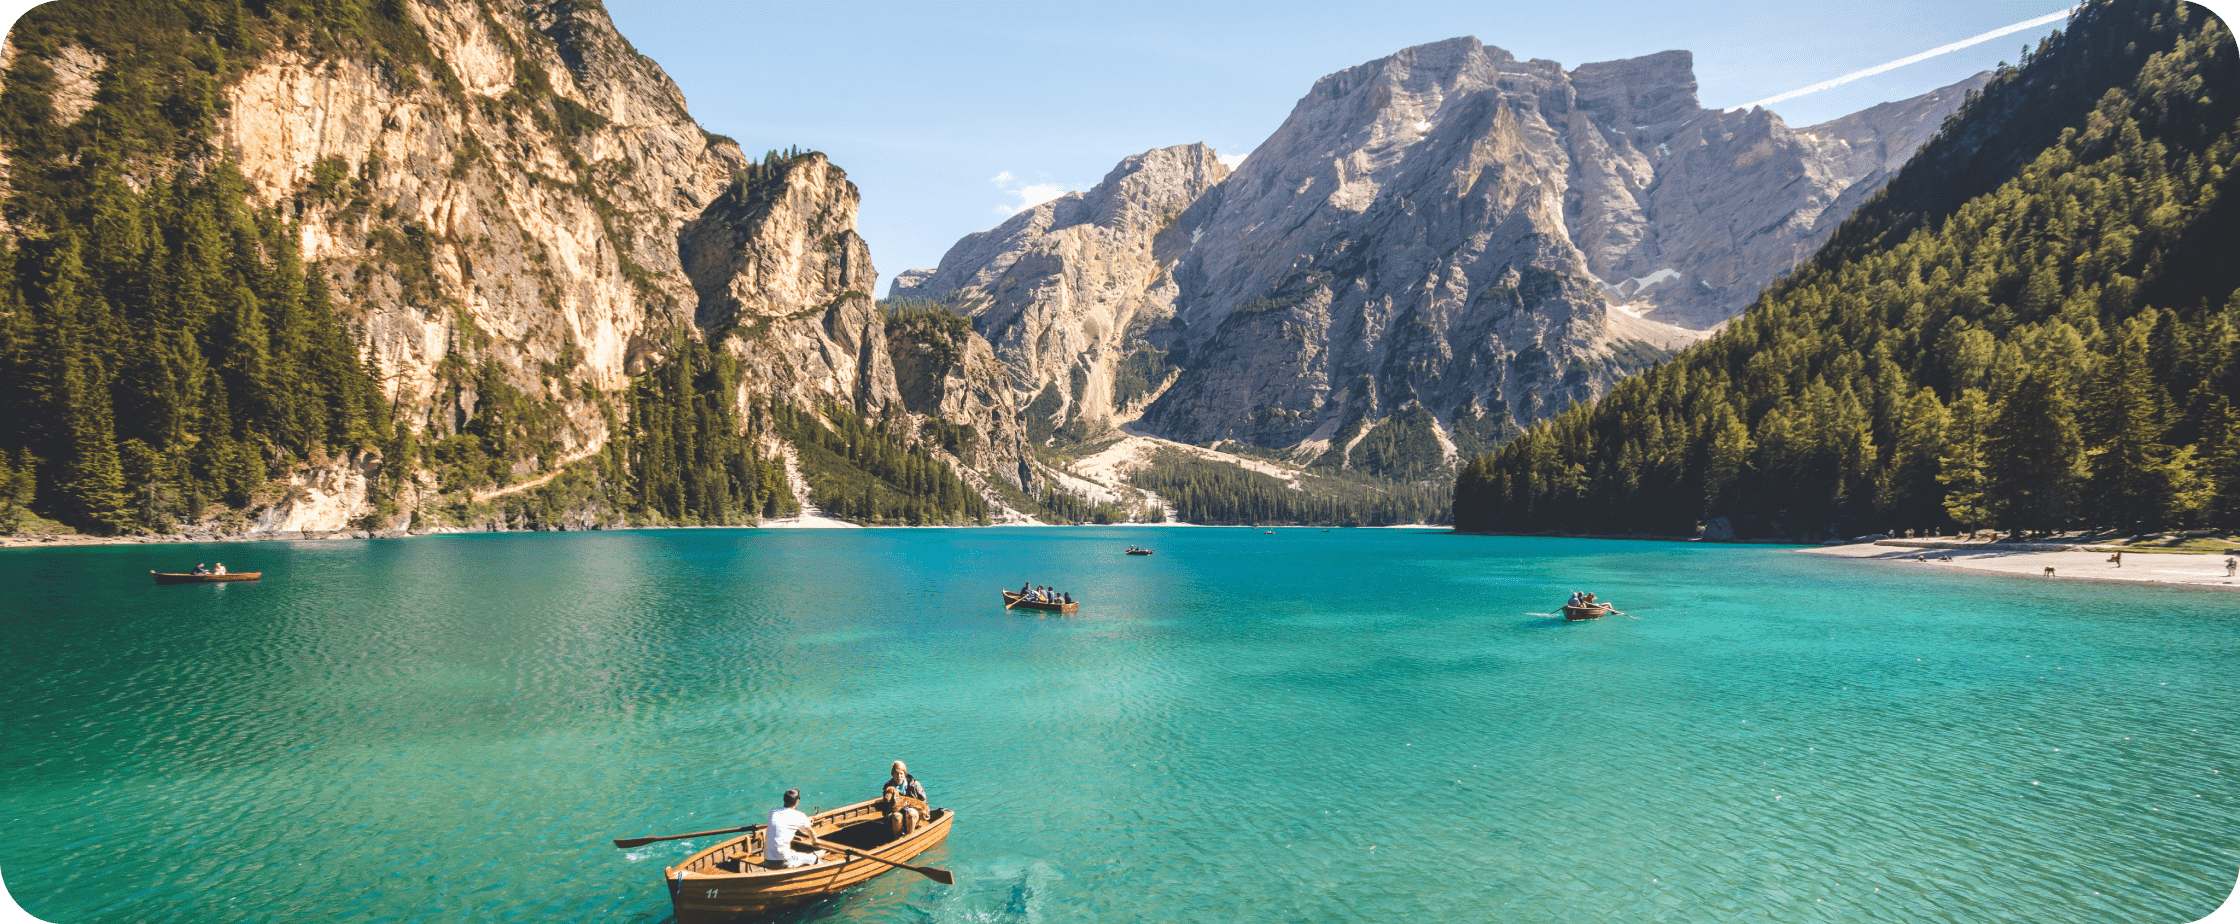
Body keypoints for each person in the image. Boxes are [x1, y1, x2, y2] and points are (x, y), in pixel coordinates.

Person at [764, 789, 826, 868]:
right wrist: (815, 841)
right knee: (814, 859)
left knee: (792, 852)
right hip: (782, 862)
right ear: (797, 801)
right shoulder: (800, 816)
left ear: (784, 800)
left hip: (767, 858)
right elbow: (811, 833)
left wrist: (806, 820)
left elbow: (787, 819)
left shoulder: (773, 811)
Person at [879, 761, 929, 838]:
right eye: (896, 773)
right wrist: (887, 814)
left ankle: (910, 836)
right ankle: (897, 839)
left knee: (911, 813)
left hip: (914, 812)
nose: (899, 776)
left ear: (905, 774)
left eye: (901, 773)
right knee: (897, 816)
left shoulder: (914, 784)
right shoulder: (888, 786)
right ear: (892, 774)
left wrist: (925, 814)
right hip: (896, 812)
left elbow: (923, 801)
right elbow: (885, 802)